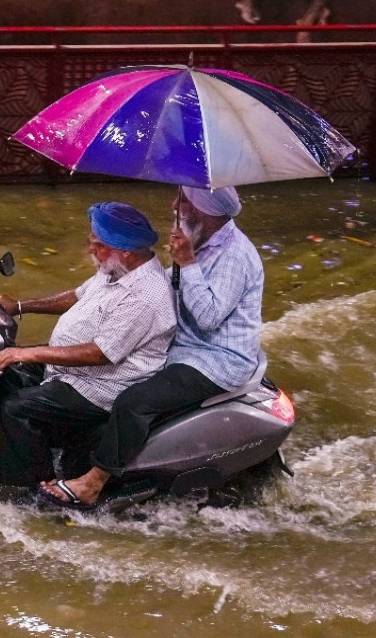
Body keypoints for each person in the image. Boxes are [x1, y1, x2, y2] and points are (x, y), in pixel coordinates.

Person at [41, 185, 264, 509]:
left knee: (133, 402)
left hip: (215, 359)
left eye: (184, 201)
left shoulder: (234, 255)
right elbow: (174, 292)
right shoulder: (200, 240)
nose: (176, 205)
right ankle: (81, 455)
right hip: (183, 346)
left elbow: (208, 318)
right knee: (110, 380)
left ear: (206, 209)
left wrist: (186, 263)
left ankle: (93, 483)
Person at [0, 202, 175, 488]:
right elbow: (78, 295)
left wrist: (30, 351)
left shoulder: (146, 294)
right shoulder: (115, 267)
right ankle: (29, 453)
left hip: (104, 385)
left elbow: (100, 353)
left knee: (18, 408)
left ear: (124, 249)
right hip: (75, 373)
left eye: (97, 244)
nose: (91, 250)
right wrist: (22, 306)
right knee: (9, 371)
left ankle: (33, 493)